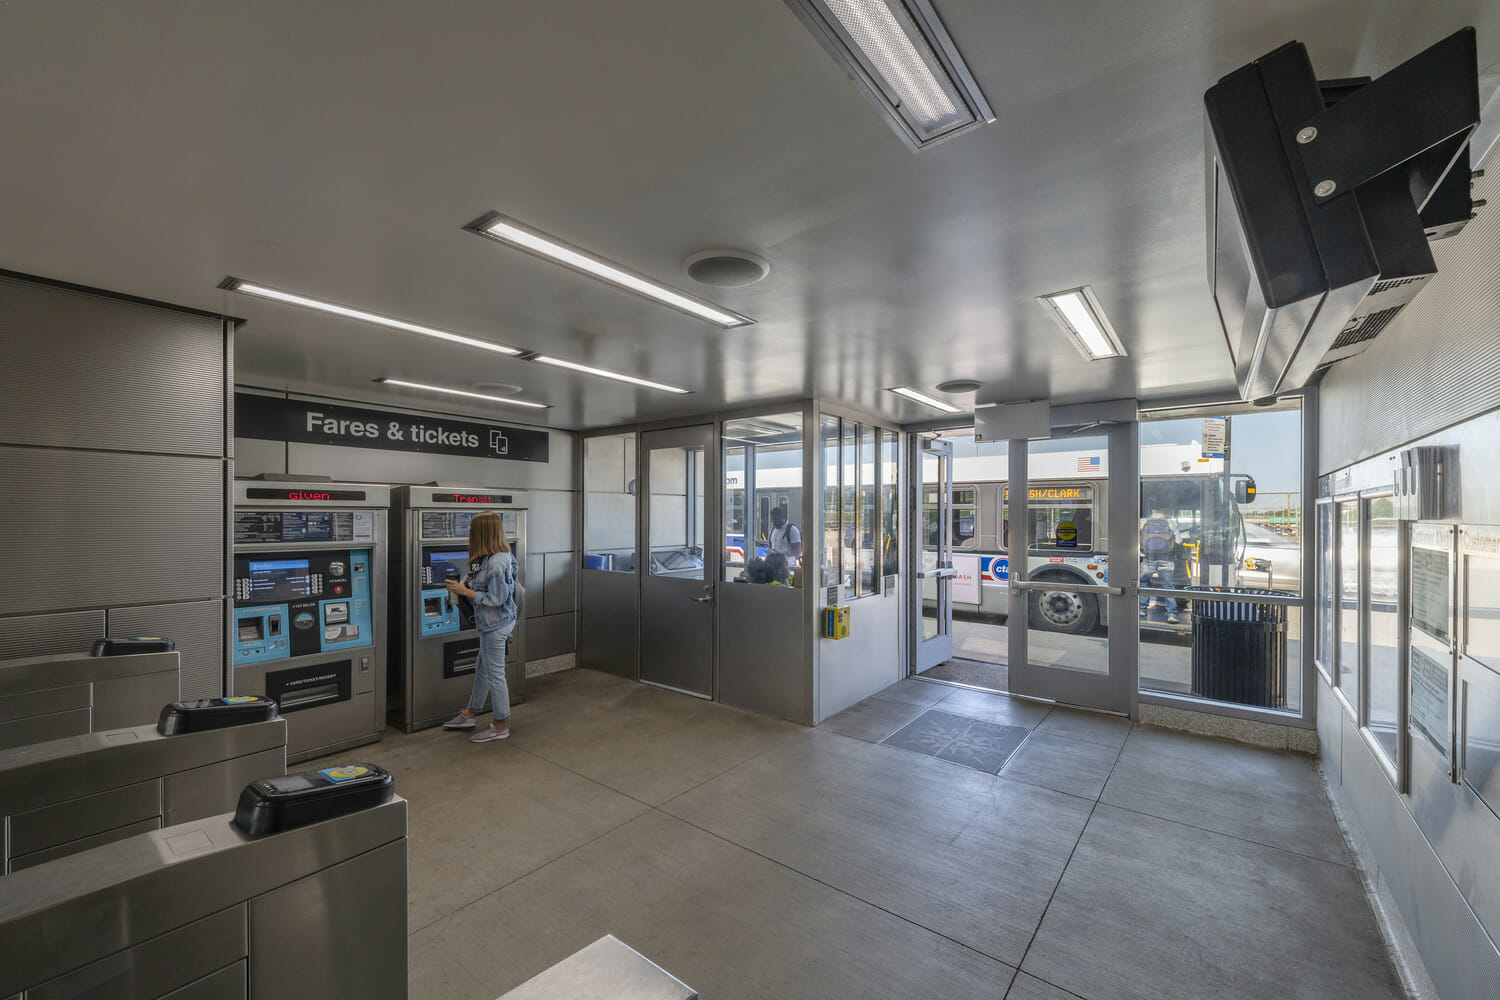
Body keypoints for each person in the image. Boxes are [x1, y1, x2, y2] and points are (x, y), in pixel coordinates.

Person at [442, 511, 520, 743]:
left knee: (495, 674)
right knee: (484, 669)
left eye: (472, 531)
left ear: (481, 533)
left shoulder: (495, 562)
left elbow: (495, 598)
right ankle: (470, 713)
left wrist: (465, 591)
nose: (469, 534)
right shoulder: (499, 554)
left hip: (495, 623)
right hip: (500, 620)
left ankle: (500, 725)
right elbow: (512, 571)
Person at [1139, 504, 1180, 624]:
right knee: (1168, 586)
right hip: (1166, 559)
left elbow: (1138, 540)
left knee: (1145, 583)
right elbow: (1178, 541)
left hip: (1148, 558)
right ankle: (1171, 613)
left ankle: (1142, 609)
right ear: (1167, 512)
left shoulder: (1143, 521)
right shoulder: (1171, 523)